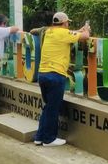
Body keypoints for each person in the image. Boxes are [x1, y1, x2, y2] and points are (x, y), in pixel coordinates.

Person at [33, 12, 90, 147]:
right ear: (64, 23)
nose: (68, 24)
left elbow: (70, 34)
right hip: (55, 75)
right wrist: (86, 29)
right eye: (67, 23)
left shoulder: (49, 32)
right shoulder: (64, 34)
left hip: (43, 74)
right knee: (53, 108)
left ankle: (39, 137)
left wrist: (79, 30)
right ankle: (49, 139)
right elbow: (85, 37)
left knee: (48, 107)